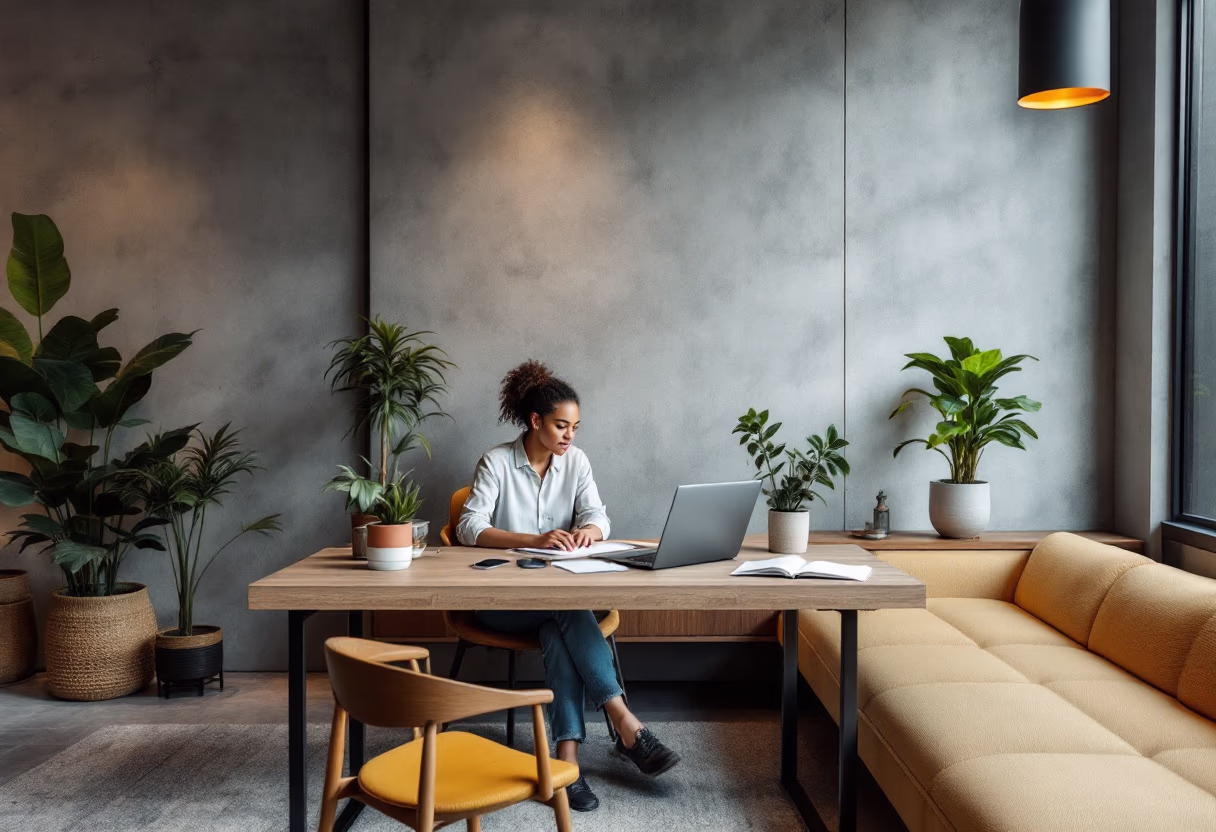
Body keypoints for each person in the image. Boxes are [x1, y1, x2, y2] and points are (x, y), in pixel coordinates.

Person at [456, 359, 680, 812]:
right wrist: (532, 541)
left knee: (560, 625)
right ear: (536, 421)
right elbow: (467, 526)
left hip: (556, 604)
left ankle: (567, 765)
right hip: (499, 603)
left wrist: (589, 533)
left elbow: (599, 517)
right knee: (570, 612)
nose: (569, 437)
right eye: (561, 426)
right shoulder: (496, 461)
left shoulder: (575, 462)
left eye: (575, 428)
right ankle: (624, 722)